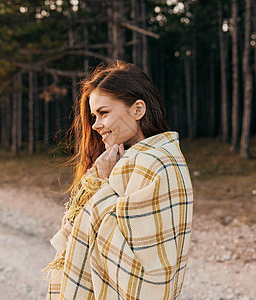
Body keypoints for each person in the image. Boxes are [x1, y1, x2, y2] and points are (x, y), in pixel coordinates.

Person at [44, 61, 193, 299]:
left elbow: (143, 271)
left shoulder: (153, 164)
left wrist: (103, 182)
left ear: (137, 110)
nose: (95, 125)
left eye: (104, 113)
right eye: (94, 116)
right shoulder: (138, 160)